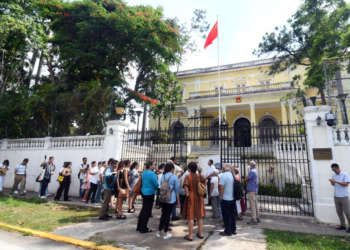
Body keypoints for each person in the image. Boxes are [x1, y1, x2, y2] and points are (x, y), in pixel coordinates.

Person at [182, 162, 206, 241]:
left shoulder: (187, 176)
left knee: (191, 217)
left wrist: (187, 193)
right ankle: (201, 233)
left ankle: (190, 236)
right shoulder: (200, 175)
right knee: (199, 216)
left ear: (189, 169)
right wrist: (202, 188)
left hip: (191, 196)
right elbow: (205, 181)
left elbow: (186, 186)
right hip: (199, 196)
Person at [156, 163, 180, 240]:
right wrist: (178, 200)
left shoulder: (162, 176)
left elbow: (160, 185)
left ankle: (159, 231)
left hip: (163, 198)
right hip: (171, 198)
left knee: (163, 214)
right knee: (167, 215)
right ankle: (166, 232)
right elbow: (177, 189)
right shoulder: (174, 177)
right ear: (172, 169)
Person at [137, 161, 159, 233]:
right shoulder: (152, 173)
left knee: (143, 209)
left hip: (144, 192)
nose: (154, 166)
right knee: (147, 211)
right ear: (150, 166)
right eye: (153, 165)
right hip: (150, 193)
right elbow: (156, 184)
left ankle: (139, 226)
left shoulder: (144, 173)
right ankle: (143, 228)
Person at [330, 163, 350, 232]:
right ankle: (342, 225)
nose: (334, 171)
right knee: (339, 212)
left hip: (344, 196)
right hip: (336, 196)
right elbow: (333, 184)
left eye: (335, 170)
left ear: (338, 168)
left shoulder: (345, 174)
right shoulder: (334, 175)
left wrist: (337, 181)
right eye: (333, 170)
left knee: (347, 212)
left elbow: (346, 184)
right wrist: (332, 182)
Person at [219, 163, 237, 236]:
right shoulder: (233, 175)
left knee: (226, 215)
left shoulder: (223, 175)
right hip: (233, 198)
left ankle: (228, 231)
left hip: (226, 199)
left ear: (224, 168)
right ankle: (233, 229)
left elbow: (221, 187)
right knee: (233, 215)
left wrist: (221, 196)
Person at [245, 160, 261, 225]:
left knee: (252, 205)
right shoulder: (255, 171)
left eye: (249, 164)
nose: (249, 165)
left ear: (251, 165)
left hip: (251, 190)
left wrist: (246, 176)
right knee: (255, 204)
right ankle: (257, 217)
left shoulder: (251, 171)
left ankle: (254, 219)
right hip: (255, 189)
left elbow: (246, 179)